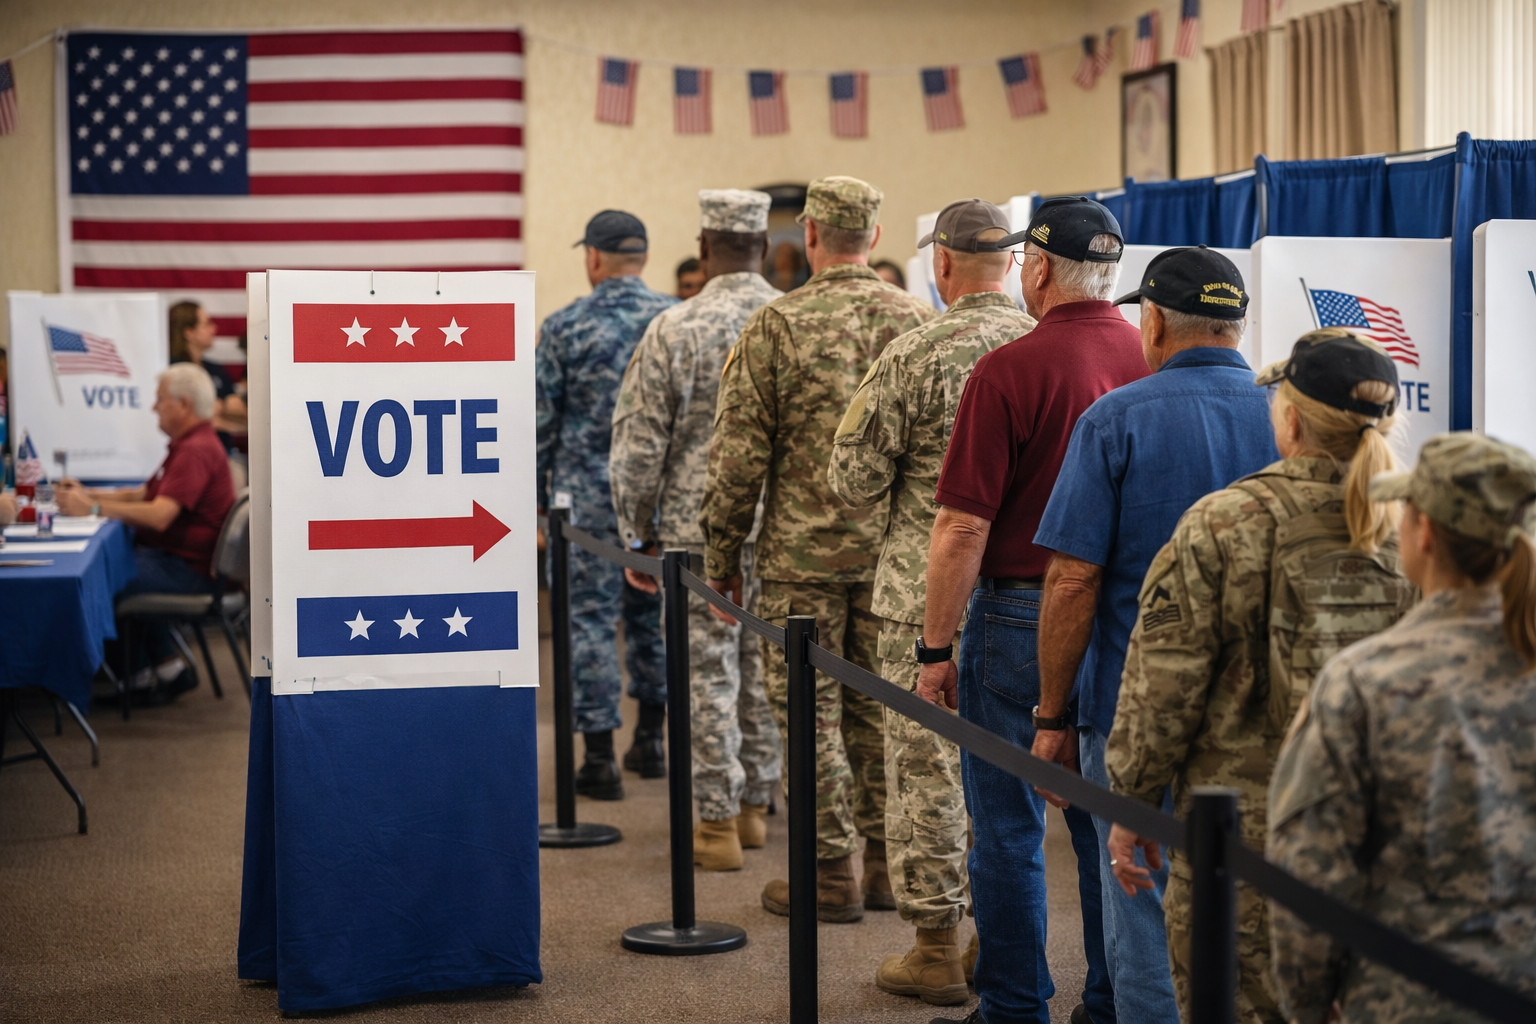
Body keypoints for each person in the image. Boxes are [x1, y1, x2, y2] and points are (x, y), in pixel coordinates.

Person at [1104, 329, 1417, 1024]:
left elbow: (1164, 685)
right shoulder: (1421, 530)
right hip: (1387, 846)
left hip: (1244, 846)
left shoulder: (1225, 522)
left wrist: (1131, 800)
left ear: (1293, 419)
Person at [1028, 247, 1278, 1024]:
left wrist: (1050, 716)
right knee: (1256, 917)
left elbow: (1073, 582)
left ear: (1156, 321)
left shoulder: (1115, 419)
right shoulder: (1291, 418)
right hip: (1265, 714)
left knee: (1141, 907)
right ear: (1238, 324)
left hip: (1134, 710)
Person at [917, 196, 1146, 1024]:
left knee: (1007, 826)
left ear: (1039, 268)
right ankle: (1111, 998)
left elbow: (962, 527)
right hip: (1122, 621)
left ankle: (1015, 1005)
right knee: (1102, 825)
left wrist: (933, 647)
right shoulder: (1153, 357)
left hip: (1018, 615)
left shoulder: (1009, 369)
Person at [701, 175, 933, 923]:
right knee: (879, 715)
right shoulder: (918, 322)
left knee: (809, 717)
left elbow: (737, 458)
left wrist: (720, 558)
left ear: (806, 236)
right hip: (892, 562)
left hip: (799, 564)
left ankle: (830, 875)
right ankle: (886, 870)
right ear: (872, 235)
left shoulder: (778, 325)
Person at [828, 199, 1036, 1005]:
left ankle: (937, 948)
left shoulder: (913, 354)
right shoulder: (1044, 349)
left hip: (923, 597)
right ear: (1015, 264)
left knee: (929, 774)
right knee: (1013, 772)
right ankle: (1004, 934)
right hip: (1033, 599)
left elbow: (852, 482)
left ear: (941, 264)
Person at [1268, 432, 1536, 1024]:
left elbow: (1310, 880)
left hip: (1408, 1003)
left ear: (1426, 533)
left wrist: (1308, 1006)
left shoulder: (1364, 683)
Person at [610, 189, 784, 869]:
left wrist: (635, 529)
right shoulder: (790, 320)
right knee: (771, 664)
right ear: (764, 249)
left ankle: (713, 823)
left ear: (704, 249)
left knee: (707, 672)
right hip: (784, 535)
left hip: (693, 532)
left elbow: (638, 444)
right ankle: (754, 809)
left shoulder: (673, 328)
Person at [537, 209, 674, 800]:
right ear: (640, 257)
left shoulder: (565, 326)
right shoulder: (673, 319)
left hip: (584, 505)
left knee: (589, 620)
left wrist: (535, 503)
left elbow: (542, 424)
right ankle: (651, 742)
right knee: (654, 619)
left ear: (593, 257)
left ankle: (599, 759)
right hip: (659, 500)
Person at [56, 364, 236, 702]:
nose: (154, 407)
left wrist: (92, 509)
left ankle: (134, 676)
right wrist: (88, 495)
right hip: (182, 564)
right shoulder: (191, 443)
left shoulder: (195, 450)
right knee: (115, 564)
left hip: (188, 572)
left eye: (160, 399)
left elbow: (159, 516)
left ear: (183, 405)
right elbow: (143, 494)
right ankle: (165, 669)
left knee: (103, 575)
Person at [168, 301, 246, 438]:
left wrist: (218, 410)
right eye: (207, 324)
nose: (214, 328)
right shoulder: (172, 370)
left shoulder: (215, 369)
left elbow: (241, 409)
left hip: (223, 451)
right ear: (189, 332)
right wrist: (220, 410)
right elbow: (188, 418)